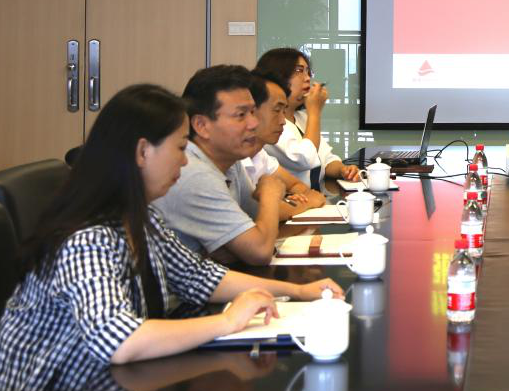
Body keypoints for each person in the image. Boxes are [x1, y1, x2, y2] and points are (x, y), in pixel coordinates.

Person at [0, 84, 343, 391]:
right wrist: (228, 322)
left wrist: (298, 292)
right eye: (180, 148)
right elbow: (118, 341)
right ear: (143, 152)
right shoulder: (87, 237)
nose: (185, 162)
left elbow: (199, 276)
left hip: (113, 385)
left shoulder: (141, 217)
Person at [153, 66, 291, 265]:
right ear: (201, 126)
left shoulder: (229, 161)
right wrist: (270, 193)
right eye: (241, 115)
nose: (254, 123)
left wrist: (239, 245)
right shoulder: (193, 173)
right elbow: (260, 251)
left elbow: (254, 217)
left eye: (253, 112)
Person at [255, 48, 359, 188]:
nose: (308, 78)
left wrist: (343, 170)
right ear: (278, 76)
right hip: (292, 197)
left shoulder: (303, 117)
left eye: (308, 71)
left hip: (313, 195)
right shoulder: (269, 124)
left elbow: (326, 159)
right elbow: (304, 159)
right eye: (299, 71)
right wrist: (315, 111)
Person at [240, 70, 328, 219]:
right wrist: (305, 203)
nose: (282, 121)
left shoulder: (259, 154)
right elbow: (259, 212)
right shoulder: (235, 159)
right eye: (276, 110)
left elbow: (296, 186)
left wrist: (292, 201)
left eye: (283, 111)